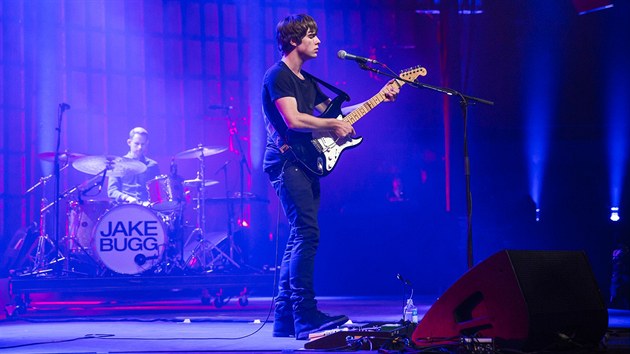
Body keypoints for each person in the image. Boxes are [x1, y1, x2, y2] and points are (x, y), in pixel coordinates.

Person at [262, 14, 400, 340]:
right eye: (312, 35)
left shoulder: (308, 82)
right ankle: (306, 315)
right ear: (294, 40)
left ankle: (285, 318)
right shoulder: (278, 75)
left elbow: (339, 115)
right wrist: (333, 126)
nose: (319, 41)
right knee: (307, 234)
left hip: (307, 162)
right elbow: (294, 120)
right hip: (287, 162)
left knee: (299, 236)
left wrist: (380, 96)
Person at [107, 127, 160, 205]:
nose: (140, 147)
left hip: (146, 209)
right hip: (124, 207)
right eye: (136, 144)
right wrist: (127, 198)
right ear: (129, 142)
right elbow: (111, 191)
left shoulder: (152, 165)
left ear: (147, 143)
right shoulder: (118, 164)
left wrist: (150, 203)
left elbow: (157, 191)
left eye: (143, 144)